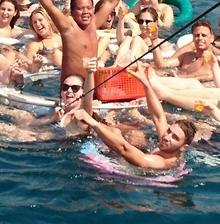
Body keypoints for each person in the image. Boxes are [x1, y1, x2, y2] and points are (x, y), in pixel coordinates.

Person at [27, 0, 137, 85]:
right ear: (72, 12)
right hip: (71, 88)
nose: (86, 12)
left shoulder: (94, 23)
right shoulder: (68, 27)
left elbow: (111, 1)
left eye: (89, 8)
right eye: (80, 9)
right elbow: (49, 7)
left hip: (91, 83)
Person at [64, 68, 195, 170]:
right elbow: (159, 117)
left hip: (131, 181)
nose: (167, 137)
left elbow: (123, 149)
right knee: (117, 131)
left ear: (184, 147)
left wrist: (93, 122)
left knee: (115, 135)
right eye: (169, 131)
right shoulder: (168, 145)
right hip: (136, 156)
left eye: (175, 138)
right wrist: (146, 83)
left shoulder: (160, 162)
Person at [153, 19, 220, 83]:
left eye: (204, 35)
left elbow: (196, 76)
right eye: (197, 35)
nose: (200, 38)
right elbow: (161, 65)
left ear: (212, 38)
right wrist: (154, 40)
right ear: (193, 38)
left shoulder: (212, 61)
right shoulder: (187, 56)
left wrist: (173, 76)